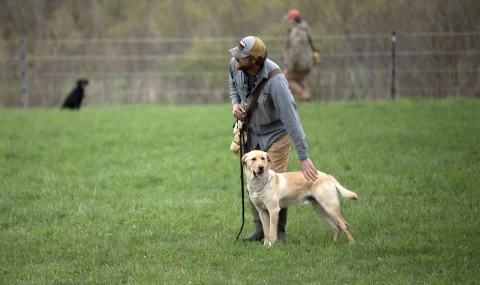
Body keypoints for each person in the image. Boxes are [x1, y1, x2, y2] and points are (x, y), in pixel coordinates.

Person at [228, 36, 318, 242]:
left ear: (256, 60)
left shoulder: (276, 81)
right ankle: (260, 230)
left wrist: (303, 157)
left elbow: (292, 120)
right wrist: (235, 103)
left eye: (241, 57)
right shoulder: (236, 64)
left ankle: (278, 234)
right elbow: (233, 84)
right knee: (253, 177)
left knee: (272, 180)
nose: (235, 59)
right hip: (252, 130)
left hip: (277, 134)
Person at [283, 9, 315, 101]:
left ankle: (305, 96)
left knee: (285, 80)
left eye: (289, 19)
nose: (288, 21)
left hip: (298, 63)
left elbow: (295, 49)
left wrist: (290, 64)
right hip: (308, 62)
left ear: (293, 19)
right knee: (301, 81)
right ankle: (307, 102)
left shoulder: (295, 32)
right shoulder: (305, 29)